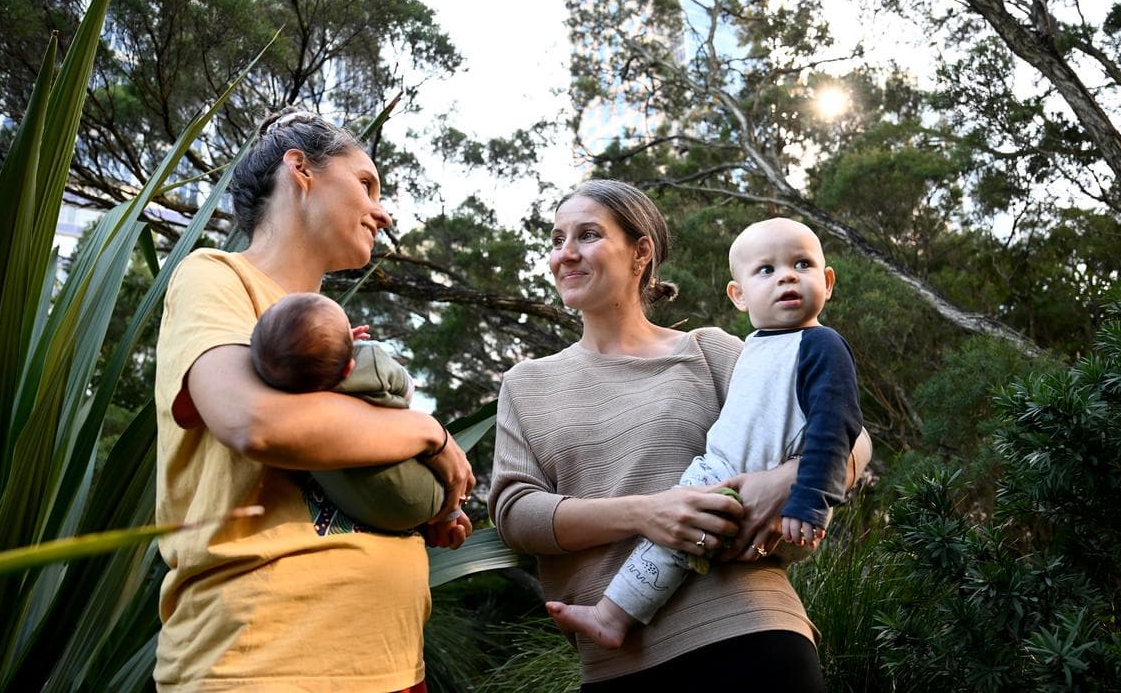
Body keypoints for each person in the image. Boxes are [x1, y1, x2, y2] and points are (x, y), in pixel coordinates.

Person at [488, 179, 871, 691]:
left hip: (752, 631)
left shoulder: (710, 351)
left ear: (641, 251)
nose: (566, 254)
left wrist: (783, 480)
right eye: (558, 239)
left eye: (587, 235)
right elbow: (516, 515)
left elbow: (852, 437)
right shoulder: (527, 384)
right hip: (621, 660)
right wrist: (648, 512)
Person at [154, 106, 474, 692]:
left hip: (390, 661)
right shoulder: (217, 276)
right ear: (300, 169)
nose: (383, 210)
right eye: (366, 183)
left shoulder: (337, 341)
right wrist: (432, 435)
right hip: (269, 661)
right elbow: (253, 420)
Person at [546, 217, 862, 650]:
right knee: (680, 533)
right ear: (738, 295)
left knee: (677, 532)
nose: (787, 275)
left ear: (827, 282)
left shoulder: (820, 344)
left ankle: (611, 616)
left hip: (769, 499)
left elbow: (839, 426)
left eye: (802, 264)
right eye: (765, 270)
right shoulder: (755, 346)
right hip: (727, 478)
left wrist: (806, 497)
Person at [249, 291, 447, 531]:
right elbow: (406, 389)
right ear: (348, 369)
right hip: (425, 494)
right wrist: (356, 349)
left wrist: (334, 350)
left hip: (364, 511)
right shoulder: (369, 359)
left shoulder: (288, 409)